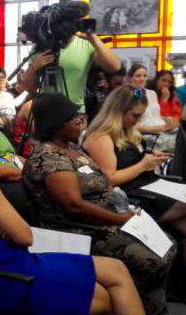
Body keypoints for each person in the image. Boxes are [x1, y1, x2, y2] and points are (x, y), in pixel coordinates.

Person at [0, 103, 145, 315]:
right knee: (103, 296)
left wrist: (4, 229)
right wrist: (10, 230)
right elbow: (25, 236)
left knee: (115, 269)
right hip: (9, 275)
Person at [24, 92, 176, 314]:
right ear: (56, 124)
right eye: (72, 118)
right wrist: (120, 219)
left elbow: (102, 183)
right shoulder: (49, 157)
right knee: (155, 258)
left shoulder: (73, 148)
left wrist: (125, 209)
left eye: (79, 115)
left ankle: (145, 304)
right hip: (80, 228)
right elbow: (74, 206)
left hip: (104, 216)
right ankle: (130, 303)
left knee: (168, 244)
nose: (79, 121)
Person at [83, 84, 186, 260]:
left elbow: (127, 160)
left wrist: (148, 157)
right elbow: (109, 180)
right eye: (135, 116)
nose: (138, 121)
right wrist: (142, 165)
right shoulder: (100, 138)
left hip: (147, 187)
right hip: (129, 197)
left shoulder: (126, 130)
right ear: (118, 111)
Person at [23, 33, 121, 113]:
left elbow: (114, 66)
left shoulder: (85, 43)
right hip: (46, 112)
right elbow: (30, 89)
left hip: (75, 115)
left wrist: (92, 37)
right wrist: (34, 67)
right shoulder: (41, 45)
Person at [129, 64, 178, 152]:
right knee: (178, 145)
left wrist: (166, 119)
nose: (142, 79)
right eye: (138, 76)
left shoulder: (152, 93)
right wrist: (162, 128)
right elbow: (132, 126)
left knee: (181, 134)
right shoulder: (128, 95)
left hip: (162, 129)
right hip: (146, 134)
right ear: (130, 78)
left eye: (144, 76)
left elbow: (154, 115)